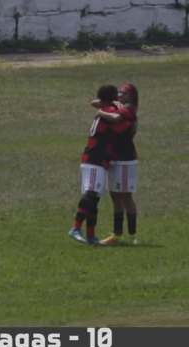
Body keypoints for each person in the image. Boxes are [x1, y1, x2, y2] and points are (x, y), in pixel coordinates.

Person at [68, 85, 119, 245]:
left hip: (95, 159)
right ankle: (75, 228)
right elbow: (120, 118)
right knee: (90, 195)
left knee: (95, 197)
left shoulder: (105, 107)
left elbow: (95, 103)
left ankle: (91, 235)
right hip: (95, 158)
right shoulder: (110, 110)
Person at [93, 84, 140, 245]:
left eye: (124, 93)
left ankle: (133, 236)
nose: (120, 94)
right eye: (119, 92)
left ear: (131, 97)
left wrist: (101, 112)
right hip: (113, 156)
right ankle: (117, 234)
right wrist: (111, 103)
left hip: (125, 158)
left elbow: (114, 119)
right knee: (114, 196)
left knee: (126, 197)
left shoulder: (129, 109)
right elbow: (95, 101)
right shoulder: (117, 105)